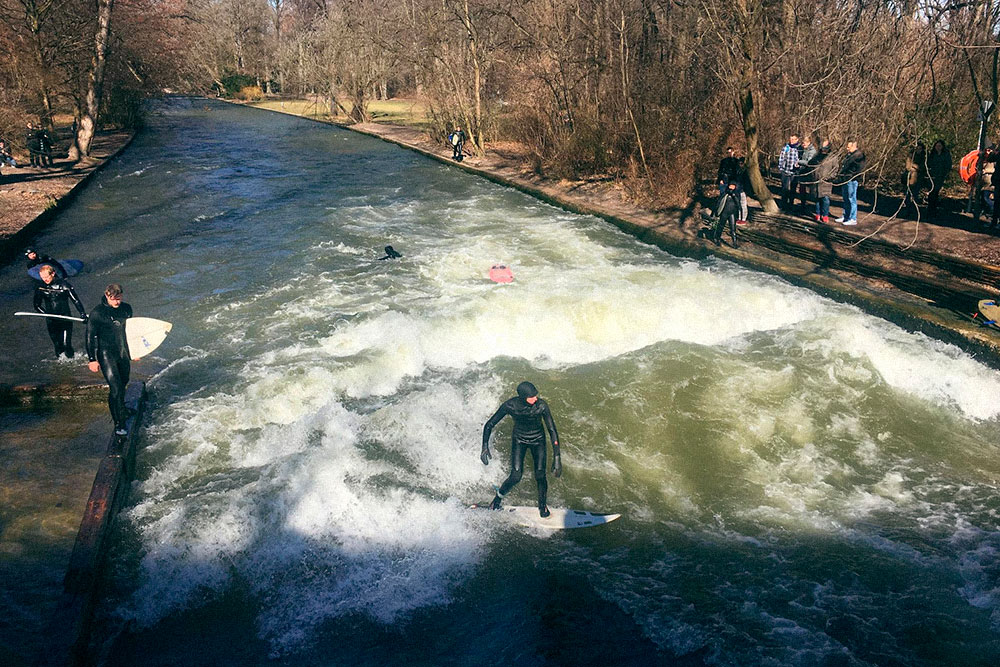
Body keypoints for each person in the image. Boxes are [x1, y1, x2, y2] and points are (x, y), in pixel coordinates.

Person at [481, 381, 562, 517]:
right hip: (520, 439)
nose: (536, 398)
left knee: (540, 474)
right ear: (523, 397)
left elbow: (552, 429)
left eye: (536, 395)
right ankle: (497, 499)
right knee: (516, 475)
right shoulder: (510, 405)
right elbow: (490, 424)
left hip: (538, 440)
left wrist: (557, 457)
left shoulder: (541, 406)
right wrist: (484, 446)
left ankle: (542, 505)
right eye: (532, 397)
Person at [87, 284, 134, 436]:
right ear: (107, 296)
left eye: (119, 298)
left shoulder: (126, 309)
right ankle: (119, 423)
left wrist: (135, 350)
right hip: (106, 353)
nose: (116, 302)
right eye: (113, 299)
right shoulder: (98, 313)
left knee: (124, 382)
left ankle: (122, 409)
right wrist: (92, 359)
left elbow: (132, 332)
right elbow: (89, 337)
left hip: (122, 352)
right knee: (116, 387)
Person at [33, 264, 86, 358]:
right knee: (58, 346)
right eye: (42, 278)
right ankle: (62, 365)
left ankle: (72, 360)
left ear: (53, 273)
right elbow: (37, 305)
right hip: (51, 320)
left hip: (65, 318)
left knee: (66, 345)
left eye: (47, 277)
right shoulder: (40, 287)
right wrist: (46, 314)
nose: (45, 279)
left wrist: (82, 314)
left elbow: (76, 301)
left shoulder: (64, 285)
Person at [807, 140, 839, 224]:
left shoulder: (833, 157)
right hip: (816, 180)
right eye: (822, 148)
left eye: (825, 149)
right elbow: (811, 165)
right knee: (817, 198)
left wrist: (828, 177)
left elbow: (835, 169)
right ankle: (818, 214)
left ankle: (825, 215)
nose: (823, 150)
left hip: (826, 182)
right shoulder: (817, 156)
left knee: (825, 199)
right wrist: (813, 176)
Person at [836, 139, 866, 225]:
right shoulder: (849, 155)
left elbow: (859, 169)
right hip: (845, 179)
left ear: (854, 146)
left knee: (851, 198)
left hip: (852, 180)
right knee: (846, 198)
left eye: (848, 147)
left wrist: (851, 176)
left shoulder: (859, 156)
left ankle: (853, 218)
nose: (847, 149)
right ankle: (846, 216)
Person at [926, 140, 952, 217]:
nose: (938, 147)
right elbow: (928, 163)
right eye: (937, 146)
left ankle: (934, 208)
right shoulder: (932, 154)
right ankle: (930, 208)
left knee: (936, 192)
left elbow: (948, 164)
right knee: (931, 192)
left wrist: (945, 173)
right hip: (932, 175)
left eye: (940, 146)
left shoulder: (945, 154)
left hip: (940, 176)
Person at [901, 141, 926, 214]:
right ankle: (906, 206)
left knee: (915, 193)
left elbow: (922, 167)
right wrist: (914, 168)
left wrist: (915, 166)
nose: (918, 150)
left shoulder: (923, 157)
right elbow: (908, 166)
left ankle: (914, 207)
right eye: (917, 148)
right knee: (907, 192)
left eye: (920, 148)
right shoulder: (910, 156)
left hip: (919, 178)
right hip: (909, 177)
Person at [778, 134, 801, 210]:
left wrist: (798, 165)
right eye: (791, 139)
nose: (792, 141)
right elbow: (781, 158)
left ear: (797, 140)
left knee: (793, 189)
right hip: (785, 171)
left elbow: (800, 159)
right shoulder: (786, 148)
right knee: (785, 189)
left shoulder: (799, 149)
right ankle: (784, 205)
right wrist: (781, 168)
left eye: (794, 139)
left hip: (794, 172)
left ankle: (791, 204)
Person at [794, 135, 817, 209]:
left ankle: (812, 206)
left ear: (809, 142)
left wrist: (799, 162)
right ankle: (803, 203)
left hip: (809, 172)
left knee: (810, 190)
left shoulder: (812, 151)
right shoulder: (804, 149)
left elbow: (808, 162)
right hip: (802, 171)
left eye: (804, 143)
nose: (803, 145)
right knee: (802, 189)